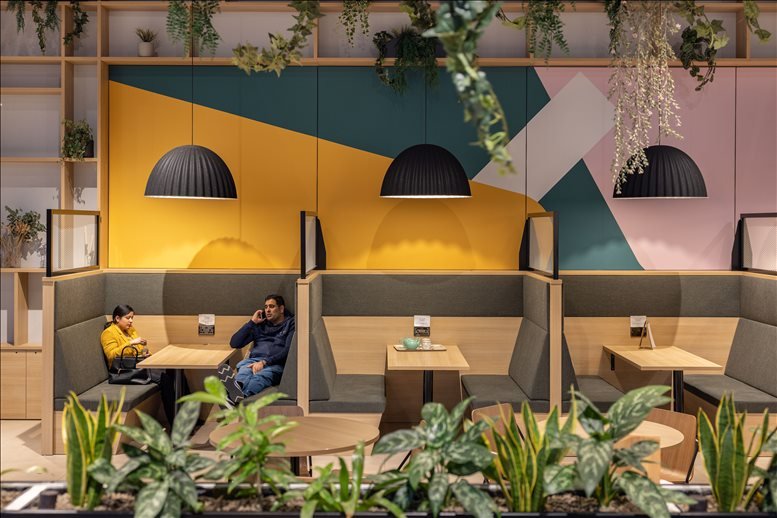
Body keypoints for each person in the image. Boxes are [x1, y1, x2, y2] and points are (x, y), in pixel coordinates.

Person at [100, 304, 178, 424]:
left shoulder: (130, 330)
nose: (131, 321)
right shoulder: (108, 333)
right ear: (117, 318)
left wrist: (144, 353)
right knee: (165, 379)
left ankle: (189, 417)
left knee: (176, 373)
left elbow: (139, 350)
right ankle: (176, 423)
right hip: (123, 371)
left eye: (132, 318)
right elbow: (111, 355)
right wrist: (131, 343)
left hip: (137, 366)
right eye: (128, 318)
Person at [218, 294, 295, 404]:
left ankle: (236, 397)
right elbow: (235, 343)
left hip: (275, 364)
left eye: (272, 306)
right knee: (244, 371)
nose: (268, 310)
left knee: (260, 376)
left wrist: (264, 362)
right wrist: (252, 322)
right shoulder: (260, 325)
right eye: (266, 307)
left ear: (281, 309)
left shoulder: (291, 323)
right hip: (253, 361)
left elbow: (288, 351)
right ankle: (236, 389)